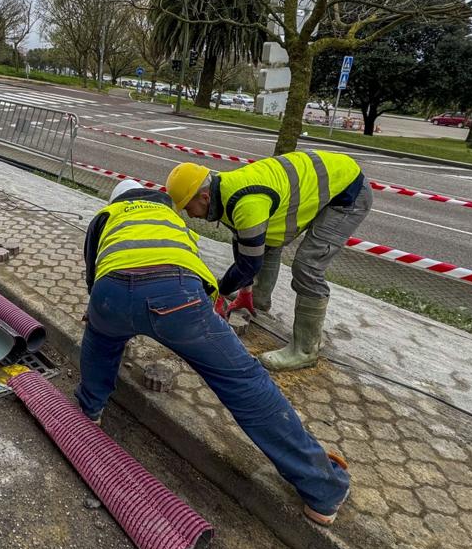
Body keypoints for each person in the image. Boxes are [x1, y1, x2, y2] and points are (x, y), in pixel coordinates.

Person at [77, 178, 350, 525]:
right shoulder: (171, 217)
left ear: (117, 200)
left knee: (99, 345)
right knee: (245, 383)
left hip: (110, 294)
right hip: (179, 299)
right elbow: (192, 270)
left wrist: (101, 316)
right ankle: (322, 491)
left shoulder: (107, 215)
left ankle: (88, 412)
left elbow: (92, 274)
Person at [166, 150, 371, 372]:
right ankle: (259, 297)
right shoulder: (223, 192)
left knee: (307, 266)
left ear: (204, 197)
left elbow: (249, 264)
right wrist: (244, 290)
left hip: (348, 192)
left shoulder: (247, 203)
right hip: (327, 178)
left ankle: (305, 351)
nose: (189, 214)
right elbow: (244, 242)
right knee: (269, 240)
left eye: (187, 207)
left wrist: (220, 291)